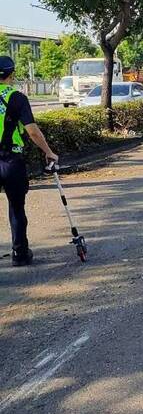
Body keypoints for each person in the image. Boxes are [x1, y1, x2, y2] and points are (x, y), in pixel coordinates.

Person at [0, 56, 58, 266]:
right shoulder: (17, 98)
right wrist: (48, 152)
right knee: (16, 208)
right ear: (12, 74)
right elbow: (32, 131)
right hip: (11, 160)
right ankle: (20, 253)